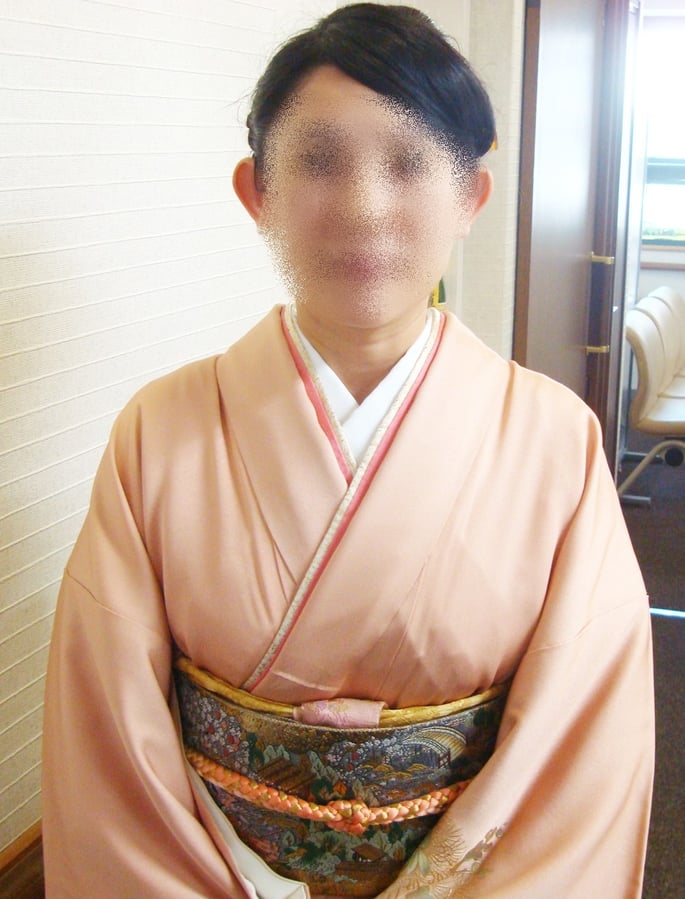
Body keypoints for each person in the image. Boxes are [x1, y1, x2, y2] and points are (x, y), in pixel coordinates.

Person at [42, 4, 654, 897]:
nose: (365, 208)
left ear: (469, 198)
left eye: (408, 163)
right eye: (320, 161)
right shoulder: (158, 431)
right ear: (257, 194)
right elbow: (109, 736)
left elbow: (582, 739)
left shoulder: (556, 438)